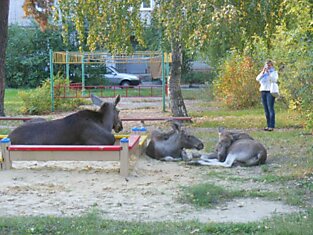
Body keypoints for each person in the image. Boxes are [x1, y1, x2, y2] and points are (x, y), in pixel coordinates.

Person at [256, 60, 279, 131]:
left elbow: (274, 80)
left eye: (269, 65)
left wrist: (269, 73)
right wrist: (263, 72)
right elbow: (257, 79)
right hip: (263, 91)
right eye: (267, 65)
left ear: (272, 66)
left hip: (270, 91)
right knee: (266, 109)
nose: (268, 67)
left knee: (270, 108)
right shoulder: (263, 73)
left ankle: (272, 125)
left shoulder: (274, 72)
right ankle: (268, 125)